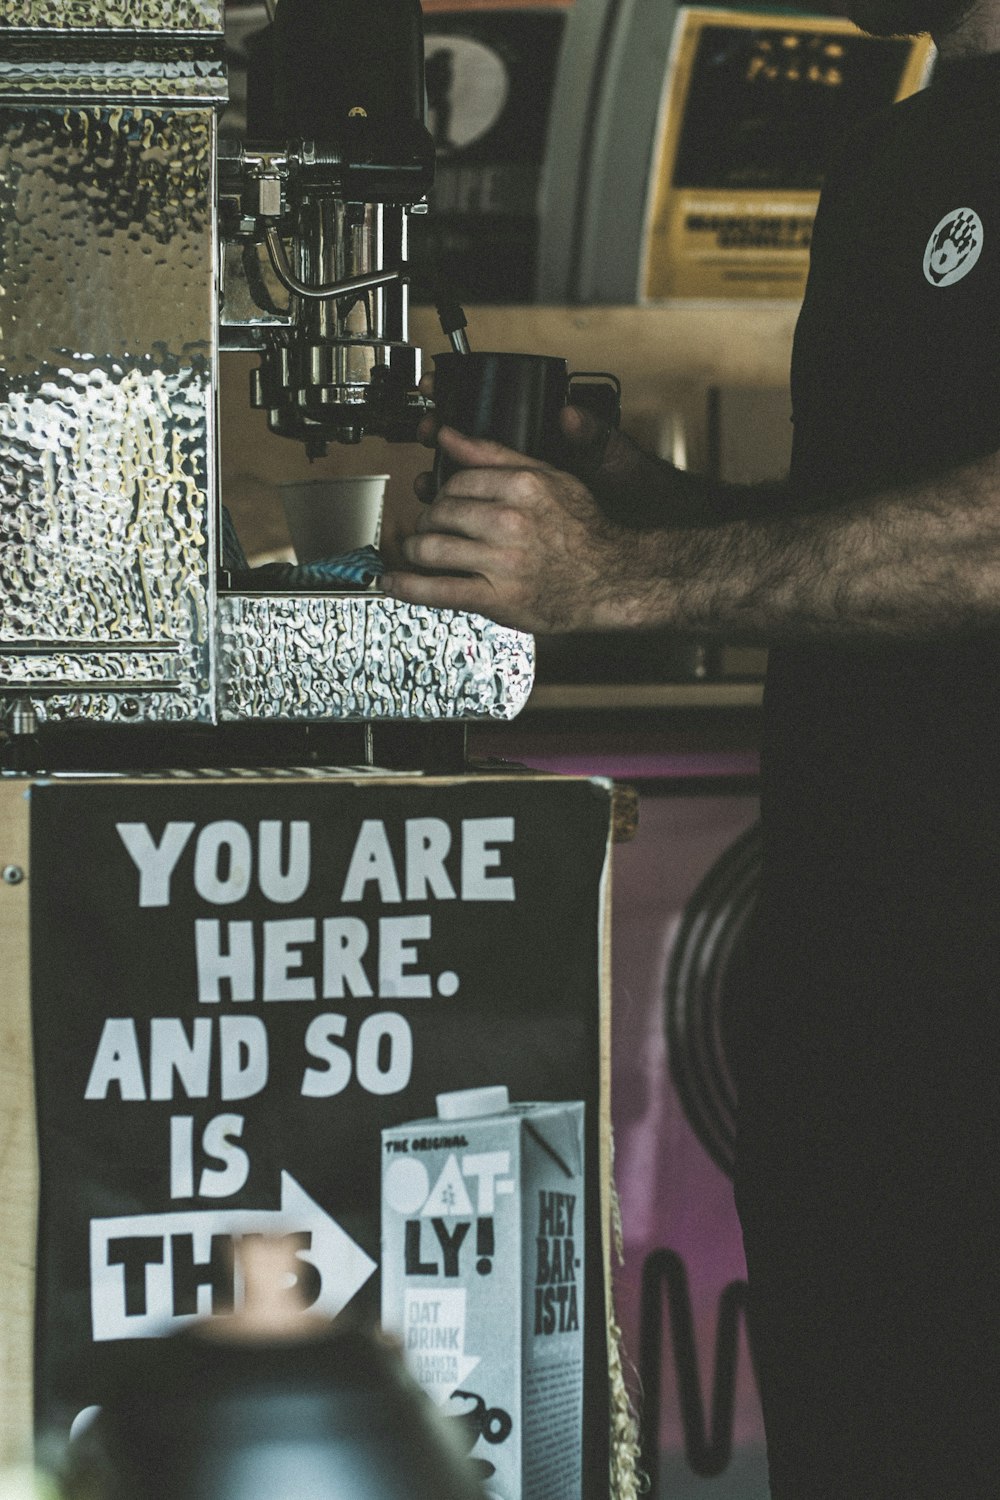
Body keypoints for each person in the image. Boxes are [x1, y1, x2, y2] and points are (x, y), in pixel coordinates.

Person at [383, 0, 1000, 1492]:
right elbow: (850, 525)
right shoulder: (894, 151)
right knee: (865, 1430)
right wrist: (621, 498)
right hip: (858, 963)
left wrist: (619, 581)